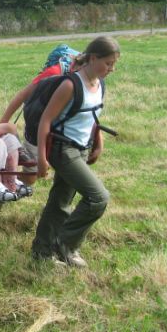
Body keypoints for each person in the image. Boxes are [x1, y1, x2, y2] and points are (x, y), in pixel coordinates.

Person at [32, 36, 120, 267]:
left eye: (114, 64)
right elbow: (45, 121)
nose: (112, 69)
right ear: (93, 58)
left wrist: (98, 142)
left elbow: (92, 116)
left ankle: (42, 252)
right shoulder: (70, 85)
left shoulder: (100, 84)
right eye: (108, 63)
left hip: (82, 148)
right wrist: (41, 157)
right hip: (63, 148)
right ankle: (65, 244)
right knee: (98, 197)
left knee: (60, 201)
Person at [0, 44, 81, 185]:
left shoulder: (86, 77)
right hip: (37, 128)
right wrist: (4, 121)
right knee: (31, 175)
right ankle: (2, 186)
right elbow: (22, 95)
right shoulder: (53, 73)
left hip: (59, 131)